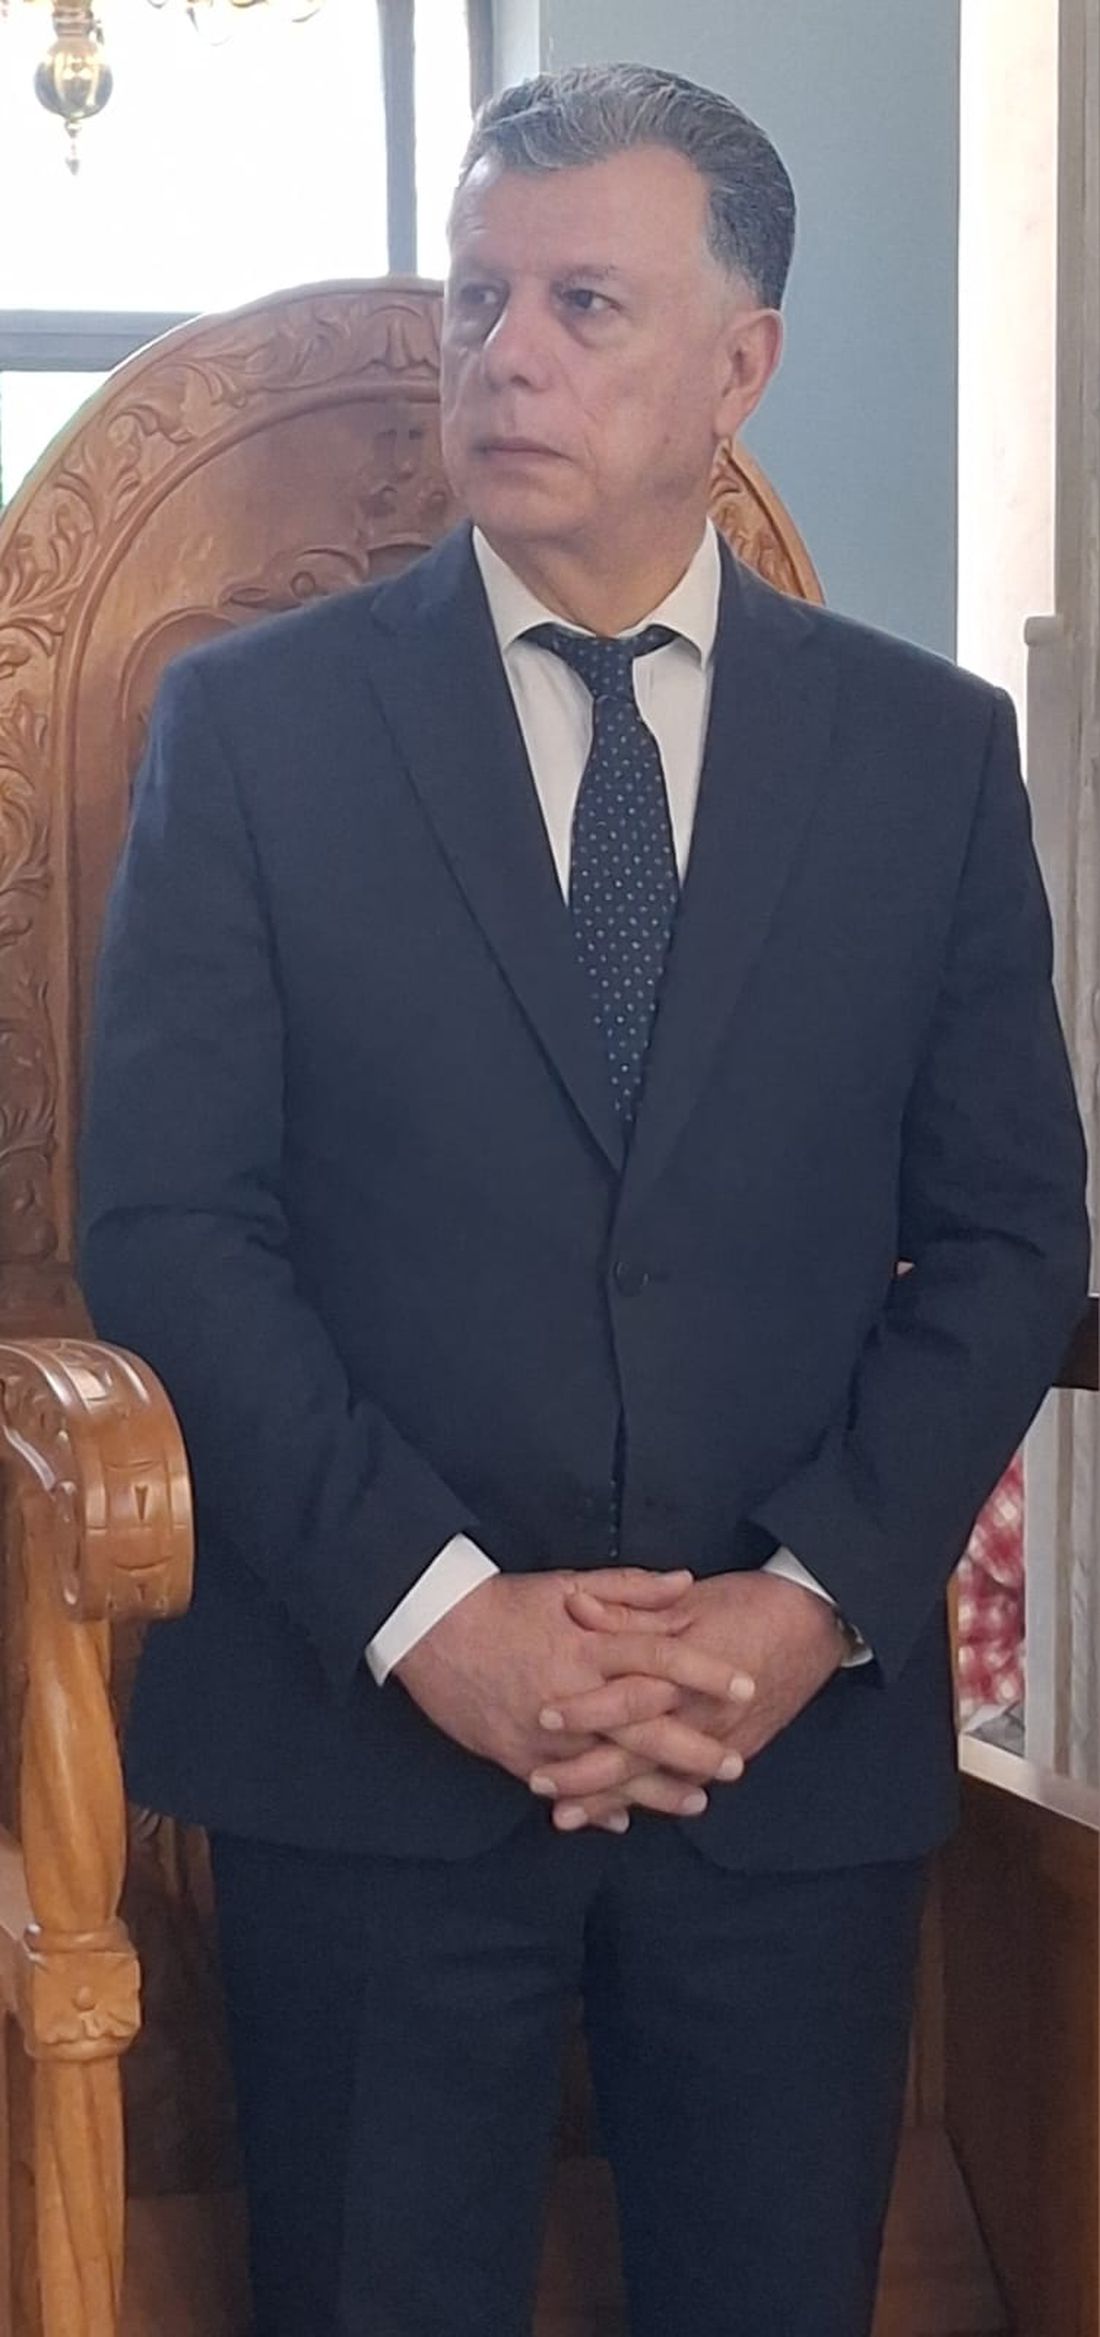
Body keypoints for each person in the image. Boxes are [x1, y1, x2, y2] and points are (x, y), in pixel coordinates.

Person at [80, 62, 1090, 2337]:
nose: (503, 354)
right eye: (478, 298)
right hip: (366, 1736)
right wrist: (439, 1615)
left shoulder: (926, 756)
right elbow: (169, 1224)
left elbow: (1013, 1237)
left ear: (738, 365)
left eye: (582, 305)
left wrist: (802, 1604)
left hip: (780, 1750)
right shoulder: (251, 736)